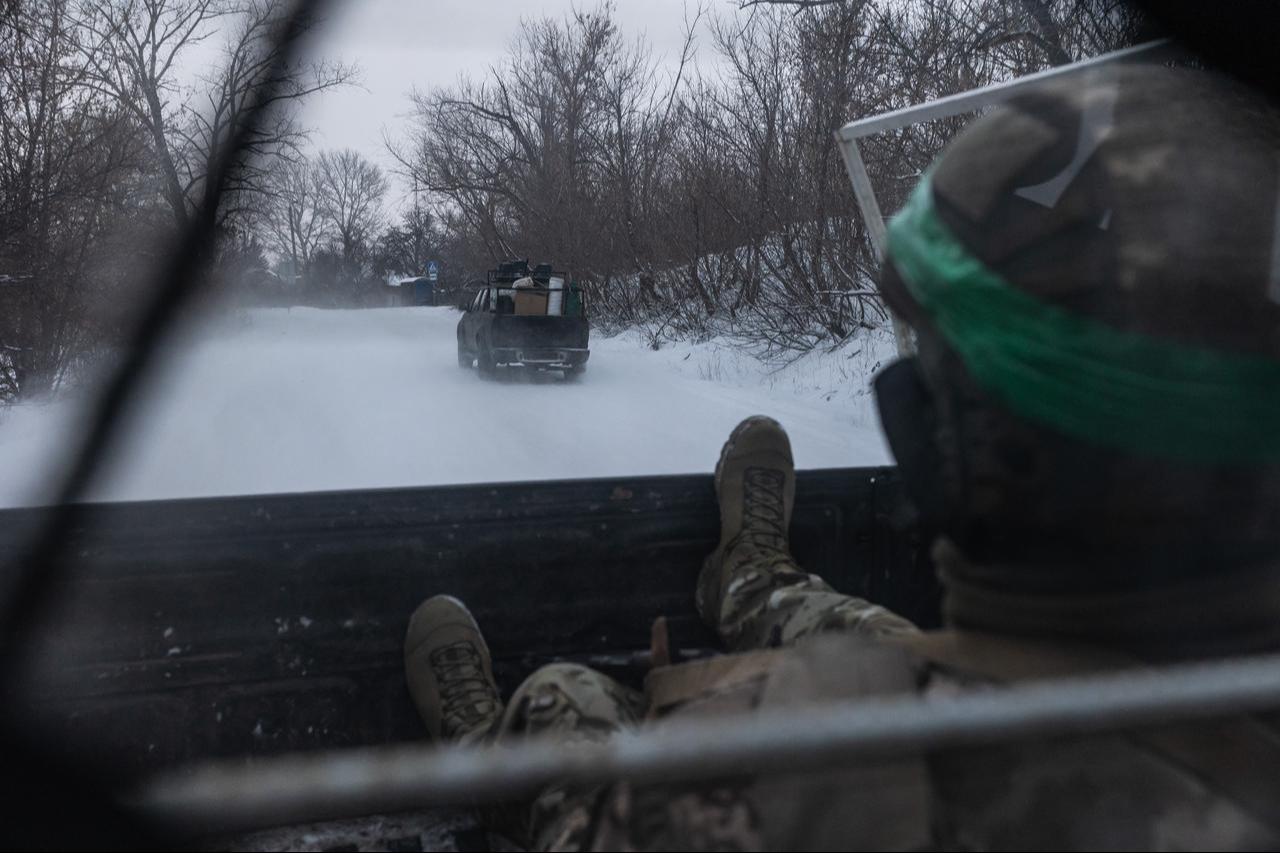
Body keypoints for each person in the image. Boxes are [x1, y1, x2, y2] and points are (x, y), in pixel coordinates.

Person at [404, 63, 1280, 851]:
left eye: (932, 370)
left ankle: (484, 752)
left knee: (566, 699)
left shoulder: (791, 797)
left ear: (948, 447)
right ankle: (753, 578)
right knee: (867, 629)